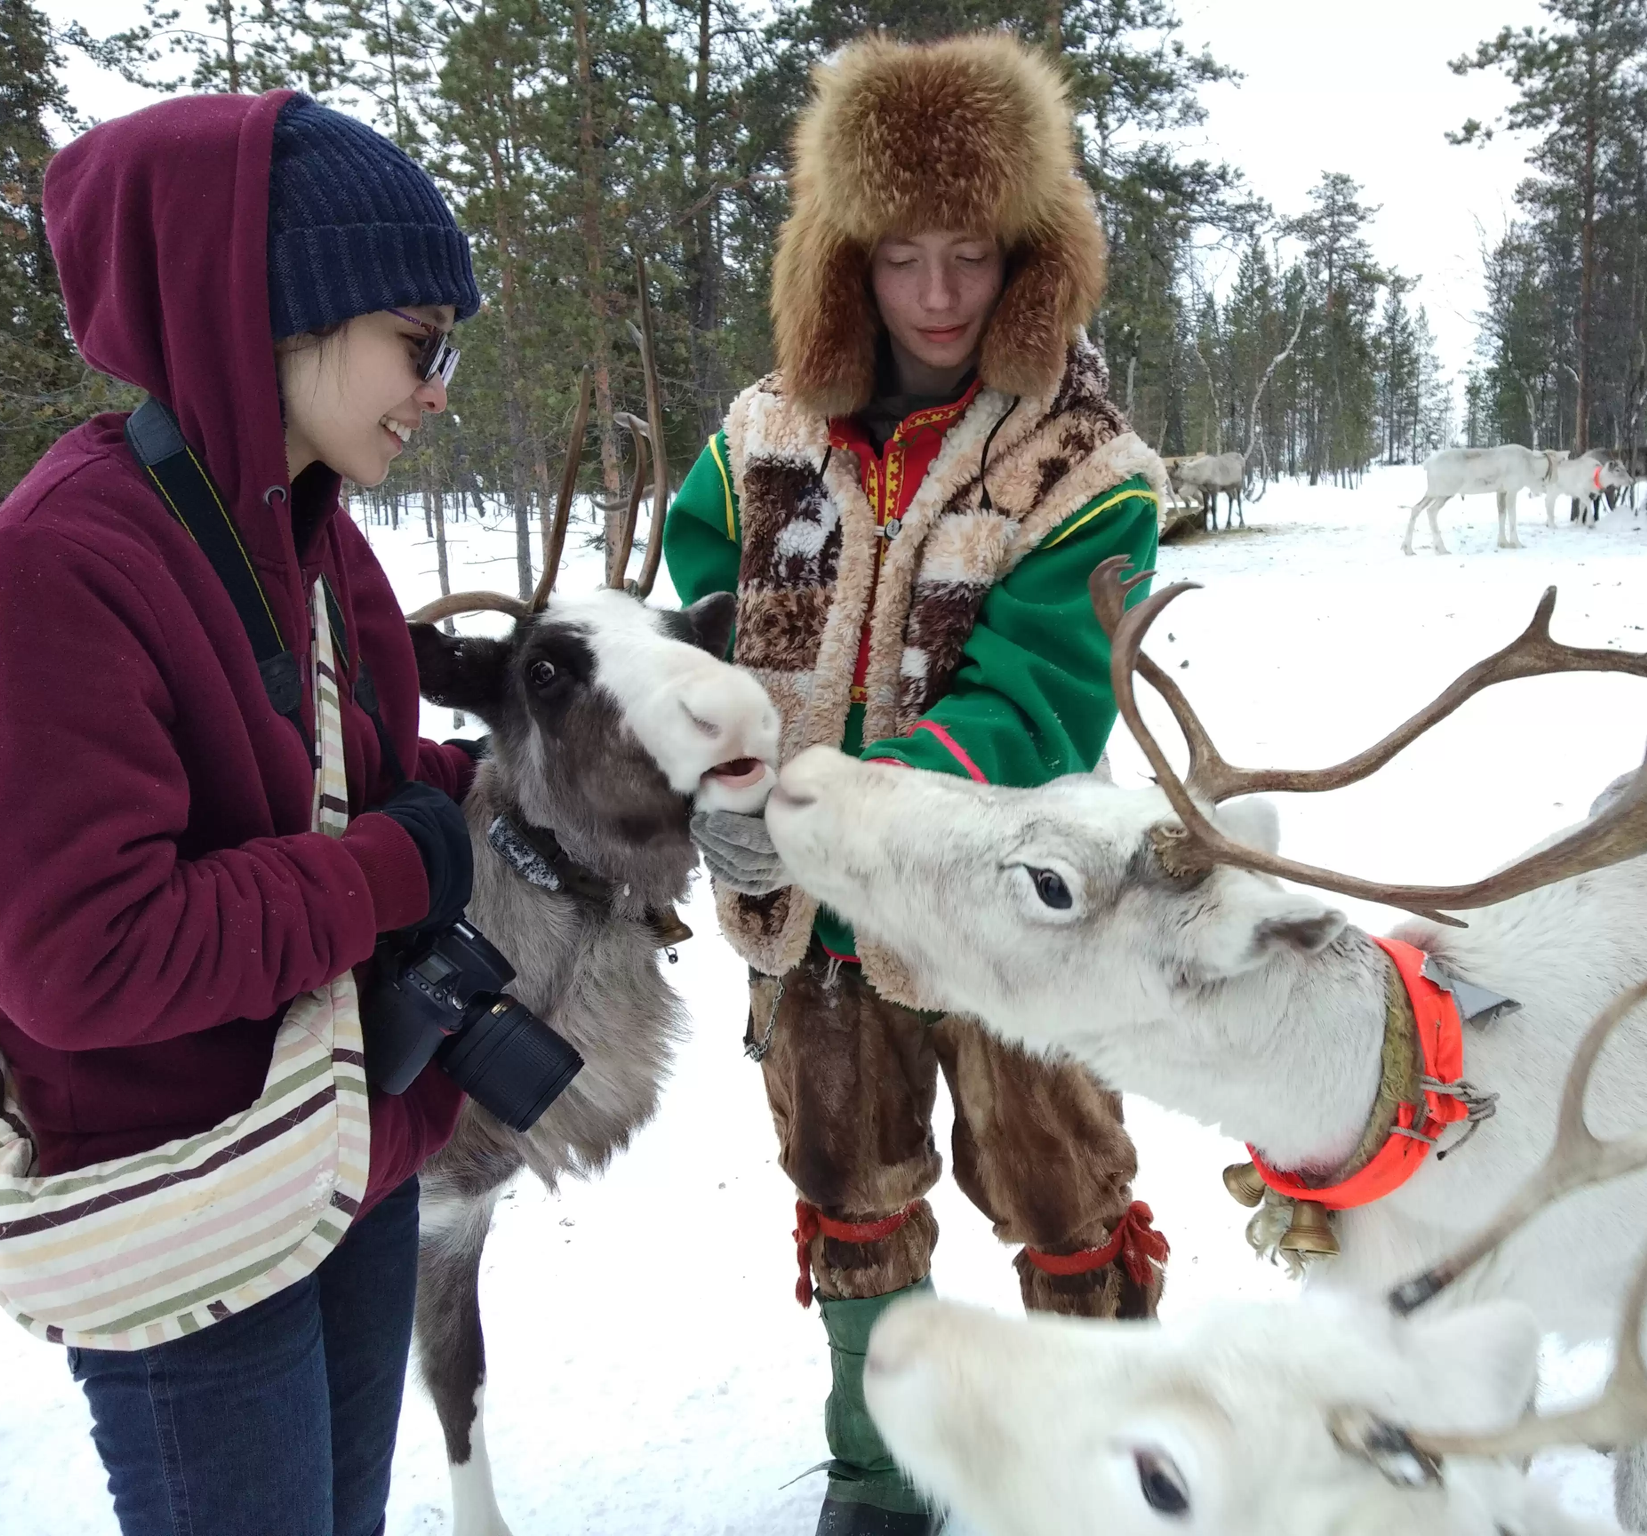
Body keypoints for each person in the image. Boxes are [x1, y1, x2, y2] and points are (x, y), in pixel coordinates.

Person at [0, 90, 484, 1536]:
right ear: (277, 317)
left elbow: (391, 784)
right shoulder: (52, 574)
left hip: (346, 1155)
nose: (440, 390)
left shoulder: (317, 540)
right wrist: (380, 873)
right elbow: (79, 950)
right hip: (184, 1212)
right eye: (419, 343)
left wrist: (554, 794)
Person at [666, 34, 1171, 1536]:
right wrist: (706, 769)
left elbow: (1043, 697)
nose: (941, 295)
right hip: (806, 926)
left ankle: (1094, 1461)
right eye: (903, 257)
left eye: (972, 254)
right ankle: (881, 1468)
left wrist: (847, 810)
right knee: (850, 1184)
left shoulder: (1088, 467)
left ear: (1031, 255)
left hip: (1012, 912)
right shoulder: (755, 442)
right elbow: (697, 623)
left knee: (1060, 1187)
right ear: (849, 261)